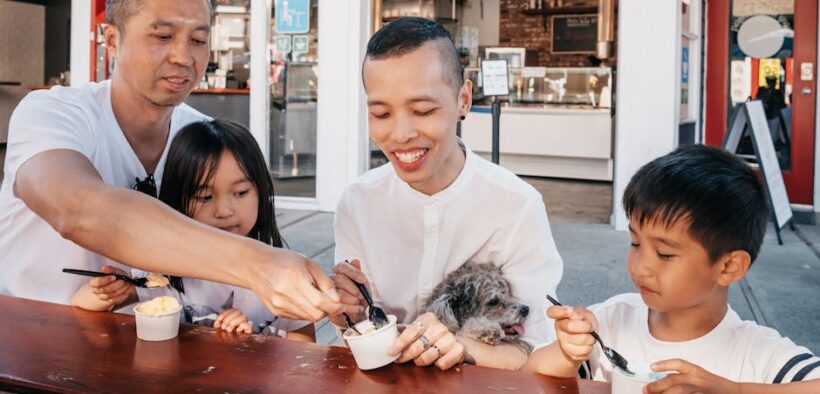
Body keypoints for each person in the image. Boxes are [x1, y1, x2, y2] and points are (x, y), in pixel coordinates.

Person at [0, 0, 341, 322]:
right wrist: (258, 265)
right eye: (162, 36)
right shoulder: (52, 113)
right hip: (27, 339)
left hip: (151, 348)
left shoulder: (198, 136)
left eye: (198, 39)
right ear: (113, 40)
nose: (183, 56)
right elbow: (76, 209)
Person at [330, 17, 563, 371]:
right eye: (381, 113)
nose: (401, 134)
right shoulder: (357, 204)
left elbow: (536, 347)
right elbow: (357, 330)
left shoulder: (516, 205)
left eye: (423, 110)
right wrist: (350, 314)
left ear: (463, 100)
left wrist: (463, 347)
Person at [525, 145, 820, 392]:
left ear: (729, 266)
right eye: (635, 243)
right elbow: (529, 375)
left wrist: (733, 389)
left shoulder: (756, 353)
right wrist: (567, 353)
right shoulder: (612, 321)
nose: (641, 267)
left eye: (664, 253)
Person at [70, 120, 315, 342]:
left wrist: (255, 343)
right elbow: (80, 304)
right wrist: (107, 292)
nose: (224, 210)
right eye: (205, 196)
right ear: (178, 200)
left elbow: (305, 343)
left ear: (261, 191)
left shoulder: (283, 272)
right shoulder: (165, 269)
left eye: (240, 193)